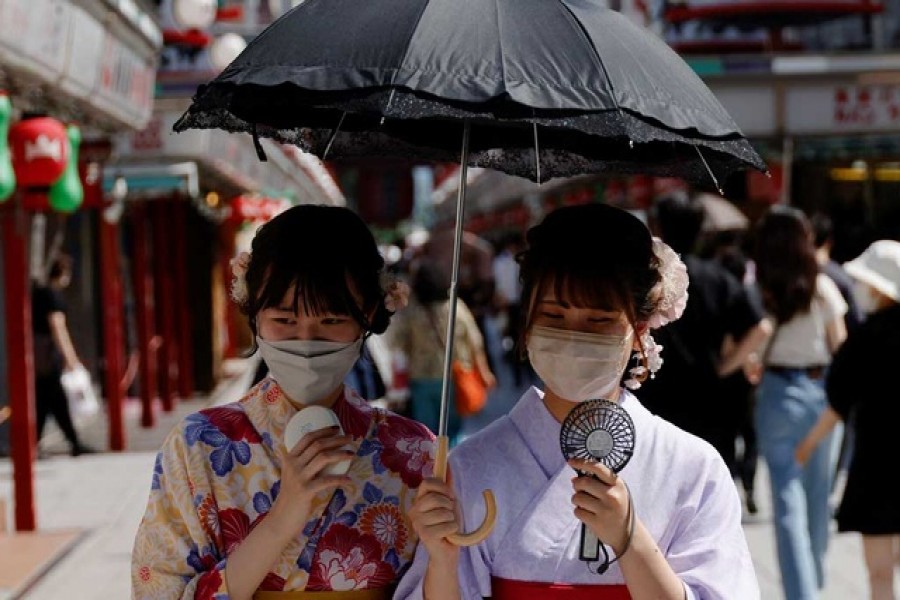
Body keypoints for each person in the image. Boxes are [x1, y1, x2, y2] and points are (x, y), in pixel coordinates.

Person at [395, 203, 759, 600]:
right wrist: (443, 561)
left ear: (637, 330)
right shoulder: (469, 466)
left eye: (599, 321)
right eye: (553, 316)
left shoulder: (693, 467)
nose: (573, 336)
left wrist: (632, 542)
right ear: (527, 321)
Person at [132, 205, 435, 600]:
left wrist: (445, 556)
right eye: (285, 321)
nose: (306, 341)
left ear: (369, 314)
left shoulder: (413, 451)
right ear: (253, 313)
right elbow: (160, 590)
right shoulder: (199, 446)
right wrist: (282, 520)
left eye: (330, 322)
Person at [751, 205, 848, 600]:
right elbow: (840, 349)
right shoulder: (821, 287)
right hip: (820, 392)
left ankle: (801, 592)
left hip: (776, 393)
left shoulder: (761, 290)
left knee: (786, 503)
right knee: (817, 497)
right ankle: (815, 579)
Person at [795, 240, 900, 600]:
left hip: (876, 467)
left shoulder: (866, 338)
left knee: (880, 574)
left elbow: (838, 401)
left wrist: (806, 447)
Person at [641, 193, 770, 484]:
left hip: (654, 395)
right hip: (709, 397)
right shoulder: (719, 278)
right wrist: (727, 366)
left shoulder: (644, 279)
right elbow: (760, 327)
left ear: (657, 228)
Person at [389, 259, 496, 446]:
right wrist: (484, 371)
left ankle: (432, 467)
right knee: (452, 429)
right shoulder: (456, 307)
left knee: (427, 431)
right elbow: (475, 342)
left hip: (421, 378)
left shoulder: (412, 312)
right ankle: (451, 466)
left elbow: (399, 345)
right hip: (453, 375)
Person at [31, 253, 93, 457]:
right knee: (53, 399)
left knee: (45, 400)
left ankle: (40, 443)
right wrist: (70, 357)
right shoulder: (53, 296)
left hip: (38, 355)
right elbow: (57, 326)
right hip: (48, 355)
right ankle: (72, 442)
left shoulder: (39, 293)